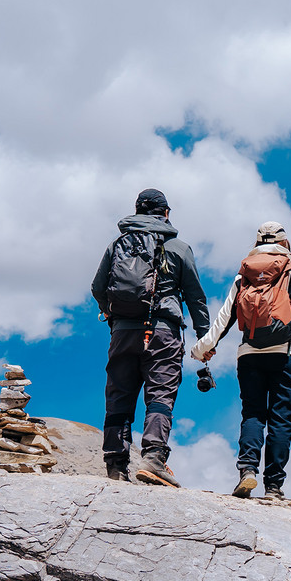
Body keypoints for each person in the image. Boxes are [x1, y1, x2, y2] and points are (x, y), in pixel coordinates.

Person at [190, 222, 291, 500]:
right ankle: (273, 486)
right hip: (287, 354)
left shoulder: (244, 277)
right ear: (285, 244)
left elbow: (224, 319)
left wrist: (203, 349)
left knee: (252, 414)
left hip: (249, 355)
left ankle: (247, 470)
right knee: (281, 420)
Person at [91, 188, 210, 487]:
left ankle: (116, 464)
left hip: (122, 332)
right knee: (160, 395)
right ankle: (154, 459)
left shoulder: (117, 244)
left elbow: (97, 287)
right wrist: (204, 338)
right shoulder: (178, 248)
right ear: (165, 213)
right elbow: (195, 297)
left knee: (119, 396)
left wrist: (113, 317)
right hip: (163, 332)